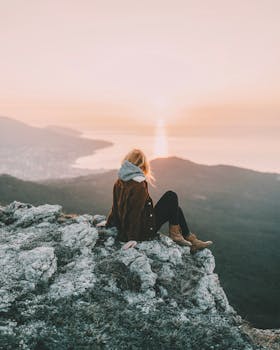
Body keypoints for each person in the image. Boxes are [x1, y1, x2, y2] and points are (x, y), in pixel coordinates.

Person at [103, 148, 213, 252]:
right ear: (142, 164)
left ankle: (192, 240)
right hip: (143, 232)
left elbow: (115, 207)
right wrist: (133, 238)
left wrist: (108, 223)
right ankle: (176, 235)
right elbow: (135, 213)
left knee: (174, 208)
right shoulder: (138, 184)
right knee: (171, 196)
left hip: (129, 228)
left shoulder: (119, 181)